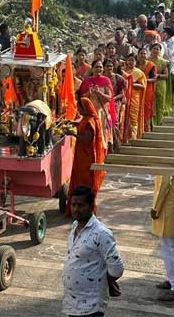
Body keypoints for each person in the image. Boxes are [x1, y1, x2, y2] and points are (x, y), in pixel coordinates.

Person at [62, 185, 124, 317]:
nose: (76, 209)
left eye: (81, 205)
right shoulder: (74, 227)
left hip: (91, 306)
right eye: (73, 205)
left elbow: (117, 268)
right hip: (72, 303)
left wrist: (107, 281)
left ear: (91, 206)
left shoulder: (101, 233)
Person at [64, 99, 106, 217]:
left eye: (80, 108)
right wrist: (74, 123)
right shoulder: (85, 119)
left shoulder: (90, 122)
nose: (78, 110)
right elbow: (82, 126)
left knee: (85, 184)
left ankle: (86, 210)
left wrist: (72, 134)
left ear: (85, 108)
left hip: (86, 159)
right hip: (81, 157)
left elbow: (86, 139)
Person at [151, 175, 174, 301]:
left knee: (170, 247)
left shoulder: (165, 158)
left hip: (168, 207)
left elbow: (164, 183)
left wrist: (156, 207)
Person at [79, 60, 116, 152]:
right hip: (90, 113)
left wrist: (99, 93)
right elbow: (81, 98)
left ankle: (102, 155)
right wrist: (89, 93)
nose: (98, 69)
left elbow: (109, 98)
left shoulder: (106, 80)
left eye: (100, 67)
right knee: (92, 134)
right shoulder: (87, 81)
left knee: (102, 135)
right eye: (96, 67)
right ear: (92, 68)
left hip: (102, 114)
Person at [103, 59, 127, 152]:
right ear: (104, 67)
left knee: (114, 124)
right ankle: (107, 147)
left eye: (111, 66)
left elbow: (122, 93)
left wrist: (113, 99)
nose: (109, 68)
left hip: (115, 103)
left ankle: (116, 146)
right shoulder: (101, 79)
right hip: (103, 104)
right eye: (107, 66)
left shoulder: (119, 78)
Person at [122, 53, 147, 141]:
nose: (131, 62)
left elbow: (143, 86)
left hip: (134, 98)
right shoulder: (123, 72)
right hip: (124, 97)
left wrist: (131, 84)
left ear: (136, 62)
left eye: (133, 60)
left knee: (133, 118)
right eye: (129, 60)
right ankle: (124, 139)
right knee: (123, 117)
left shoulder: (138, 73)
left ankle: (133, 138)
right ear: (126, 61)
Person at [149, 43, 172, 125]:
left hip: (160, 83)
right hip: (150, 83)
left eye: (157, 49)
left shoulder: (164, 62)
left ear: (160, 51)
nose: (155, 50)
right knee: (151, 103)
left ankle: (160, 121)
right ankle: (151, 123)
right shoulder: (147, 61)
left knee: (160, 103)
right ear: (150, 50)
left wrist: (158, 75)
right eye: (154, 49)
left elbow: (166, 75)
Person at [137, 48, 156, 132]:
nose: (143, 55)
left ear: (147, 55)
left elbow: (154, 78)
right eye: (141, 53)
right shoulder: (135, 65)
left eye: (144, 54)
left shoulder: (150, 65)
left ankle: (146, 127)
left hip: (147, 89)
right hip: (137, 89)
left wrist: (145, 80)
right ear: (138, 55)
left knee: (147, 107)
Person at [162, 27, 174, 106]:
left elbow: (169, 53)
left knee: (171, 84)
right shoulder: (164, 42)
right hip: (164, 65)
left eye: (164, 32)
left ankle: (173, 100)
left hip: (171, 65)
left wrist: (164, 44)